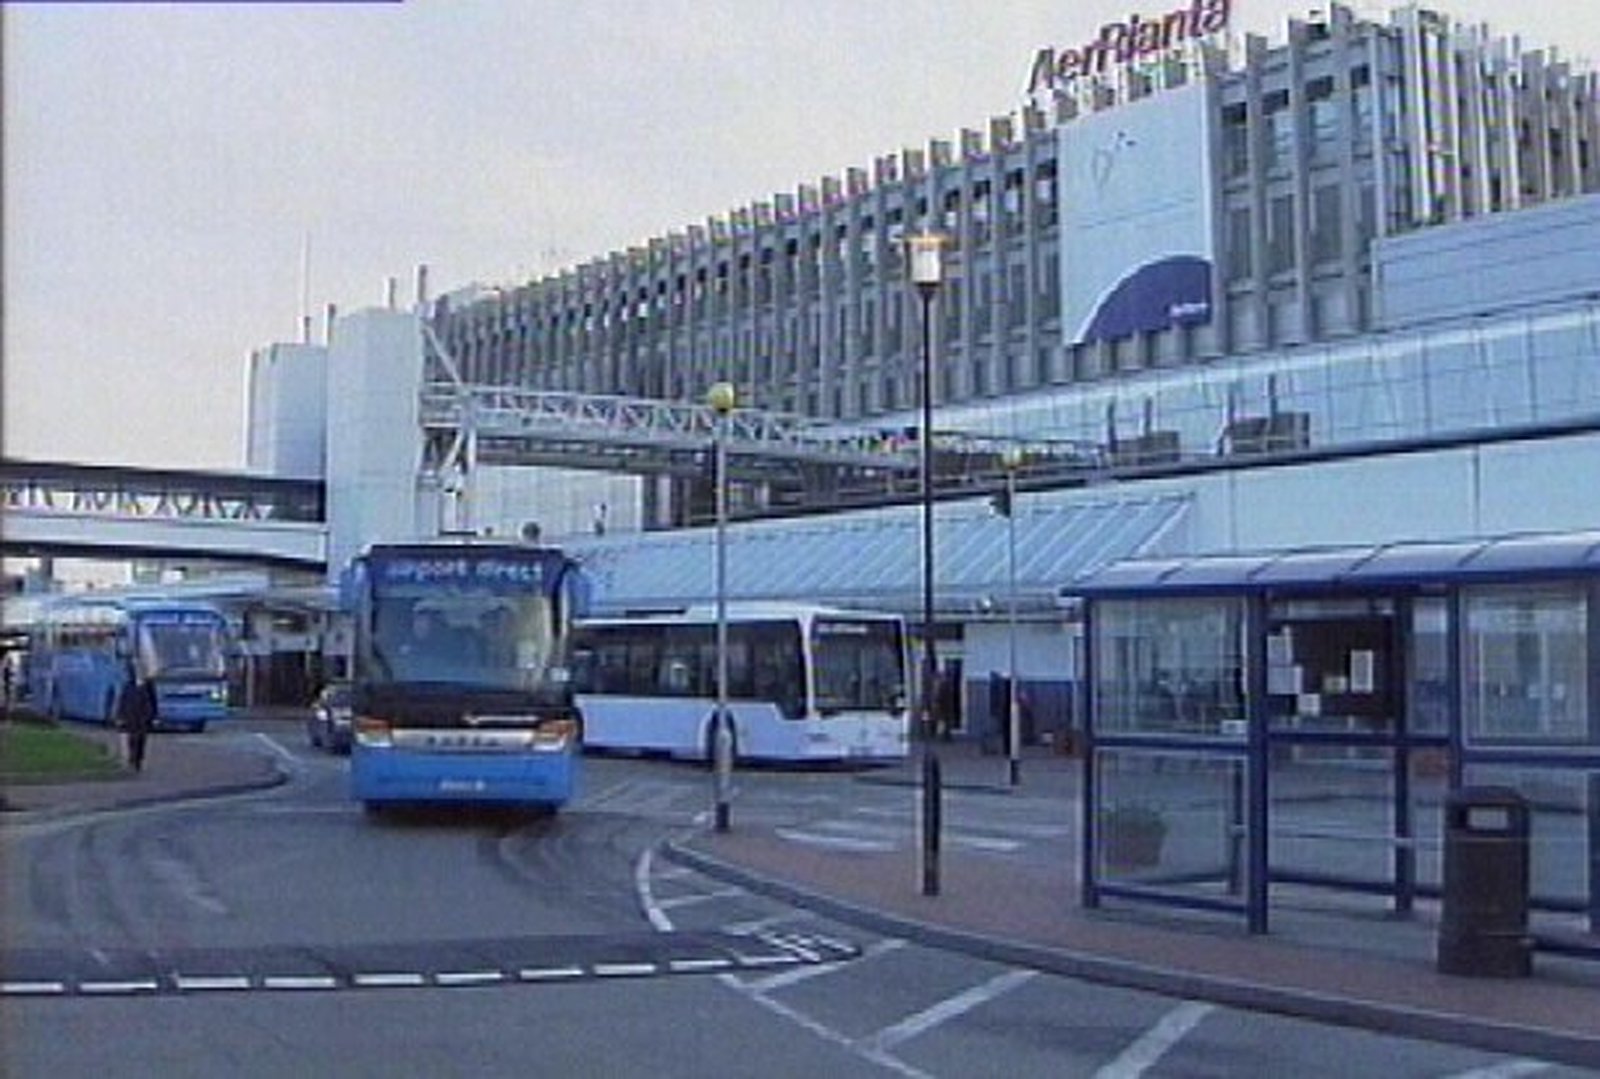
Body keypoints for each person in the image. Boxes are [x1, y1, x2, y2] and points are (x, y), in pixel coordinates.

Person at [116, 660, 157, 773]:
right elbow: (122, 702)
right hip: (131, 718)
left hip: (141, 718)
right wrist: (120, 717)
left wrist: (150, 717)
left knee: (141, 741)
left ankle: (138, 760)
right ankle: (132, 760)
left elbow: (148, 702)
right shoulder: (127, 687)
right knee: (132, 740)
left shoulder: (144, 687)